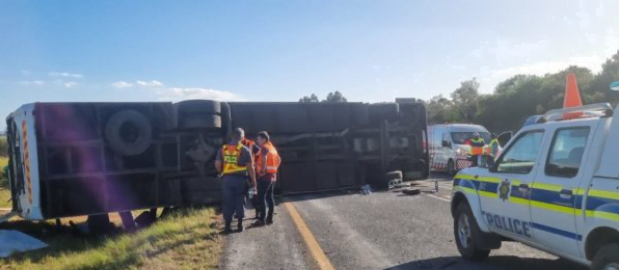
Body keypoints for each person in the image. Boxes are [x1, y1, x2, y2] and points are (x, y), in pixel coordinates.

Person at [215, 128, 256, 233]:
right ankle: (240, 225)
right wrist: (254, 181)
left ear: (232, 136)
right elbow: (250, 168)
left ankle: (227, 226)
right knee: (240, 201)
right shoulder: (245, 150)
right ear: (242, 137)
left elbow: (218, 164)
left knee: (228, 202)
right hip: (241, 180)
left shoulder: (223, 149)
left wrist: (221, 173)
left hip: (227, 180)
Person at [252, 131, 281, 226]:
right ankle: (269, 218)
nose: (257, 141)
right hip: (272, 176)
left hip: (264, 177)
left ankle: (262, 220)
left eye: (258, 139)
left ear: (264, 139)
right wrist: (275, 168)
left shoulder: (264, 148)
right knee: (270, 197)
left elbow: (264, 158)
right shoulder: (272, 148)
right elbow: (279, 160)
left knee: (261, 198)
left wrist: (263, 171)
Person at [240, 137, 262, 219]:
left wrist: (257, 164)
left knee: (253, 193)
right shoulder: (235, 145)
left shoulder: (251, 145)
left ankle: (258, 211)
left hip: (251, 172)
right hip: (240, 173)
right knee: (241, 193)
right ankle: (241, 212)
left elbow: (261, 154)